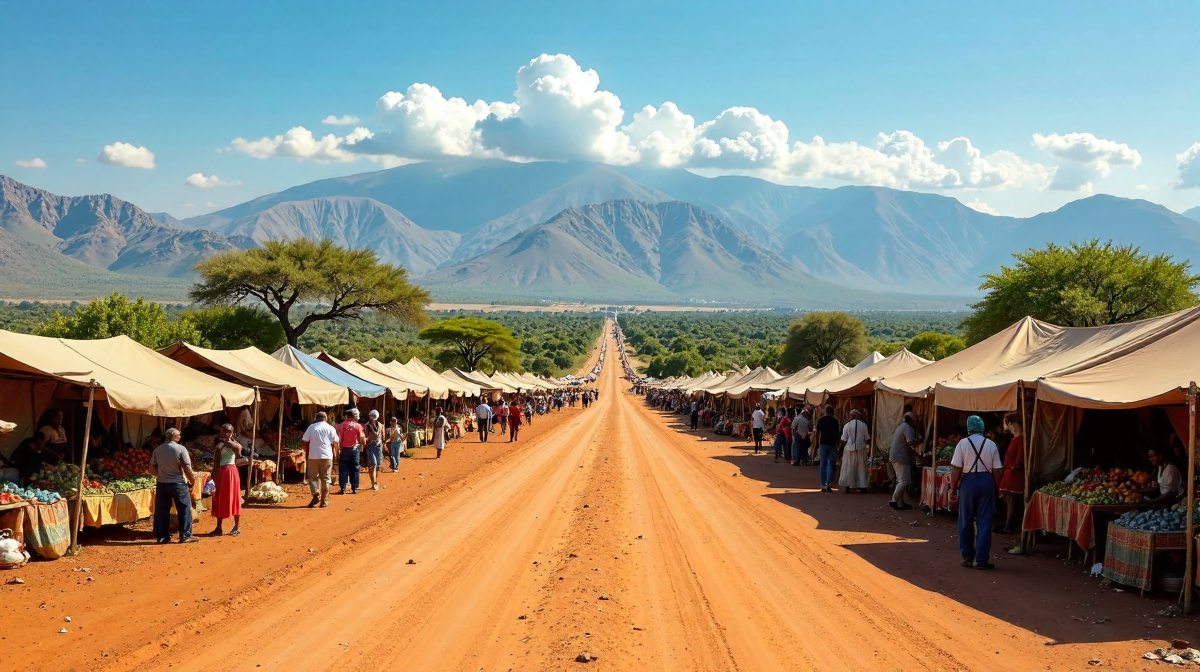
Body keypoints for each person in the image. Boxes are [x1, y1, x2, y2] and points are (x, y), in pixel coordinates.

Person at [950, 415, 1003, 570]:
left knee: (965, 520)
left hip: (968, 482)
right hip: (986, 482)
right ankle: (980, 560)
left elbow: (956, 469)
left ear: (968, 428)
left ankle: (967, 556)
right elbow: (998, 470)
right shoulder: (991, 444)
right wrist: (998, 488)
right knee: (984, 521)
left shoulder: (963, 443)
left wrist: (953, 488)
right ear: (982, 428)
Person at [149, 428, 197, 544]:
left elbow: (151, 468)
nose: (180, 437)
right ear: (175, 436)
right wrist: (192, 479)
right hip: (177, 484)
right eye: (179, 435)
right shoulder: (181, 449)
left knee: (161, 510)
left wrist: (161, 475)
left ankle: (162, 536)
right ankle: (185, 536)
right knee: (184, 509)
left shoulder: (158, 450)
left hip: (162, 484)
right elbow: (186, 467)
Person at [997, 413, 1026, 539]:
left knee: (1011, 499)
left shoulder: (1020, 439)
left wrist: (1013, 466)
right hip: (1009, 473)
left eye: (1010, 424)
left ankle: (1009, 525)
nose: (1010, 427)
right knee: (1007, 500)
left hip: (1014, 474)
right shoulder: (1014, 439)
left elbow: (1019, 460)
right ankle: (1007, 524)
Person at [209, 423, 242, 537]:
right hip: (221, 472)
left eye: (227, 431)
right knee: (219, 497)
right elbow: (216, 462)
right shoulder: (219, 446)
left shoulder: (235, 444)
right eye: (222, 431)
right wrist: (212, 476)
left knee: (234, 497)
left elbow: (238, 450)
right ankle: (219, 527)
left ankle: (236, 526)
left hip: (231, 472)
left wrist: (228, 440)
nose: (223, 433)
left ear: (232, 432)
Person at [302, 411, 338, 508]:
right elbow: (335, 442)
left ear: (316, 418)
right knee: (326, 478)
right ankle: (324, 501)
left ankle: (315, 493)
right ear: (325, 418)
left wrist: (308, 450)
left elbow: (304, 440)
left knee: (313, 477)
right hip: (327, 456)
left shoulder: (311, 427)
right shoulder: (331, 428)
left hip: (313, 456)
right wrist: (335, 455)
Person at [889, 412, 921, 511]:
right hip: (900, 457)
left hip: (896, 456)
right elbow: (911, 443)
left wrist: (916, 455)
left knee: (901, 480)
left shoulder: (901, 427)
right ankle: (894, 500)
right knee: (905, 481)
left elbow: (907, 446)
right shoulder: (908, 429)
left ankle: (900, 503)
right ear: (912, 421)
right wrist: (919, 440)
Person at [838, 409, 870, 493]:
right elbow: (867, 438)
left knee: (849, 467)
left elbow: (843, 439)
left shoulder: (847, 425)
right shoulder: (863, 425)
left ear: (852, 416)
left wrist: (839, 448)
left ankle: (848, 485)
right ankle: (862, 486)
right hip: (861, 448)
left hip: (849, 449)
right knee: (861, 467)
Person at [335, 409, 366, 495]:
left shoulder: (340, 426)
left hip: (343, 450)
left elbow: (338, 439)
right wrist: (361, 444)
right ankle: (354, 488)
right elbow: (362, 440)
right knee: (355, 468)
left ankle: (343, 489)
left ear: (347, 416)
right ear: (353, 416)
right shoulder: (358, 426)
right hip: (354, 450)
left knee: (343, 469)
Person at [815, 406, 841, 492]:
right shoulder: (835, 421)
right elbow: (838, 434)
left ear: (825, 411)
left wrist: (816, 444)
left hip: (823, 444)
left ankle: (823, 485)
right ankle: (829, 484)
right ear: (832, 412)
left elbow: (818, 433)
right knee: (831, 464)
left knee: (823, 464)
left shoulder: (821, 420)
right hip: (832, 444)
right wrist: (838, 445)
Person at [364, 409, 384, 491]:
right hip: (371, 446)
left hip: (378, 447)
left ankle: (375, 481)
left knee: (377, 465)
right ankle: (373, 482)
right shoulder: (367, 426)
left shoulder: (381, 425)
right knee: (373, 464)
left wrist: (380, 442)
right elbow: (365, 437)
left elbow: (382, 437)